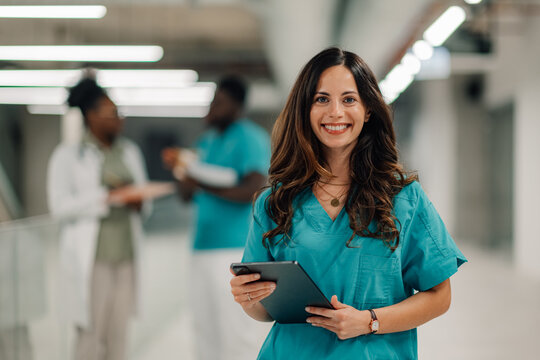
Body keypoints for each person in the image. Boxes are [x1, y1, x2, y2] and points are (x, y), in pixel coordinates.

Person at [229, 47, 467, 359]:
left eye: (349, 99)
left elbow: (440, 295)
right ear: (306, 110)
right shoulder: (275, 202)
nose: (335, 112)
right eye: (321, 99)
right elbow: (266, 312)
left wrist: (369, 321)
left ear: (368, 110)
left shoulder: (402, 198)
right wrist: (249, 300)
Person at [162, 75, 271, 360]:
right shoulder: (206, 141)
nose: (212, 107)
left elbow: (252, 189)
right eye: (212, 101)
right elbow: (186, 194)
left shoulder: (251, 138)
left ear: (237, 106)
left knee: (237, 332)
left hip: (234, 249)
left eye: (220, 103)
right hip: (201, 247)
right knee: (204, 328)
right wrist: (183, 172)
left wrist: (200, 180)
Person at [47, 77, 149, 360]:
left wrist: (139, 202)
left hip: (126, 258)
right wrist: (105, 196)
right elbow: (59, 206)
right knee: (90, 336)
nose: (118, 120)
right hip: (92, 261)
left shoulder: (129, 152)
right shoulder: (67, 156)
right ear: (91, 116)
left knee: (118, 336)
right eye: (111, 113)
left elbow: (143, 199)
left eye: (119, 113)